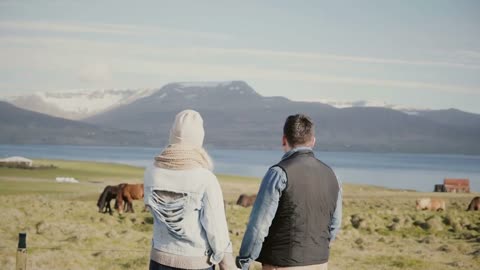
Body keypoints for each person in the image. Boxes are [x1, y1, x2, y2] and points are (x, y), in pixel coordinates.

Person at [236, 114, 342, 270]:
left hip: (281, 263)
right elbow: (335, 223)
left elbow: (258, 227)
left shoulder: (278, 173)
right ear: (313, 141)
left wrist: (243, 262)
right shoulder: (332, 175)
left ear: (284, 140)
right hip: (320, 263)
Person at [144, 109, 235, 270]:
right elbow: (216, 228)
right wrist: (227, 264)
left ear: (172, 135)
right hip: (196, 262)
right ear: (198, 138)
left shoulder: (151, 171)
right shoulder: (205, 178)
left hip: (159, 259)